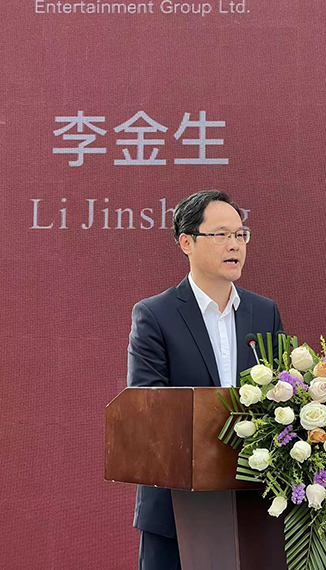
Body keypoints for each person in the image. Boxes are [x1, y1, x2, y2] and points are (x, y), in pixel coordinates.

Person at [127, 189, 283, 570]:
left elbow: (283, 398)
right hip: (177, 510)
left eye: (241, 235)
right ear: (187, 242)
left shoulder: (264, 312)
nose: (235, 245)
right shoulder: (155, 315)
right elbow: (148, 409)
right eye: (222, 235)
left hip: (252, 507)